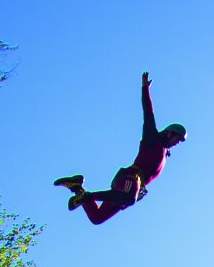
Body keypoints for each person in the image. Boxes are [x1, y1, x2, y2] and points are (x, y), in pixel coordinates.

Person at [55, 72, 187, 225]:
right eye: (177, 140)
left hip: (130, 188)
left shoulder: (165, 153)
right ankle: (86, 197)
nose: (176, 144)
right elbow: (148, 113)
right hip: (130, 179)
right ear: (170, 133)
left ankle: (77, 186)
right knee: (129, 198)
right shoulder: (153, 138)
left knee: (97, 218)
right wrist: (145, 89)